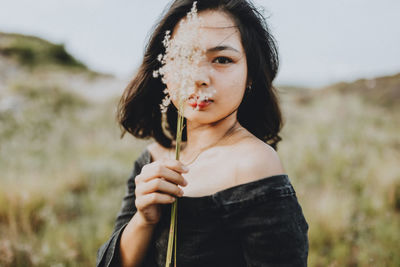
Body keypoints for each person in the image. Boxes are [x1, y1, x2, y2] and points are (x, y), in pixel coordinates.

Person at [97, 0, 309, 266]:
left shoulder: (253, 164)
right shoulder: (153, 157)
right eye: (184, 57)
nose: (198, 77)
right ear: (164, 70)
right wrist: (144, 219)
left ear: (251, 74)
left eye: (222, 59)